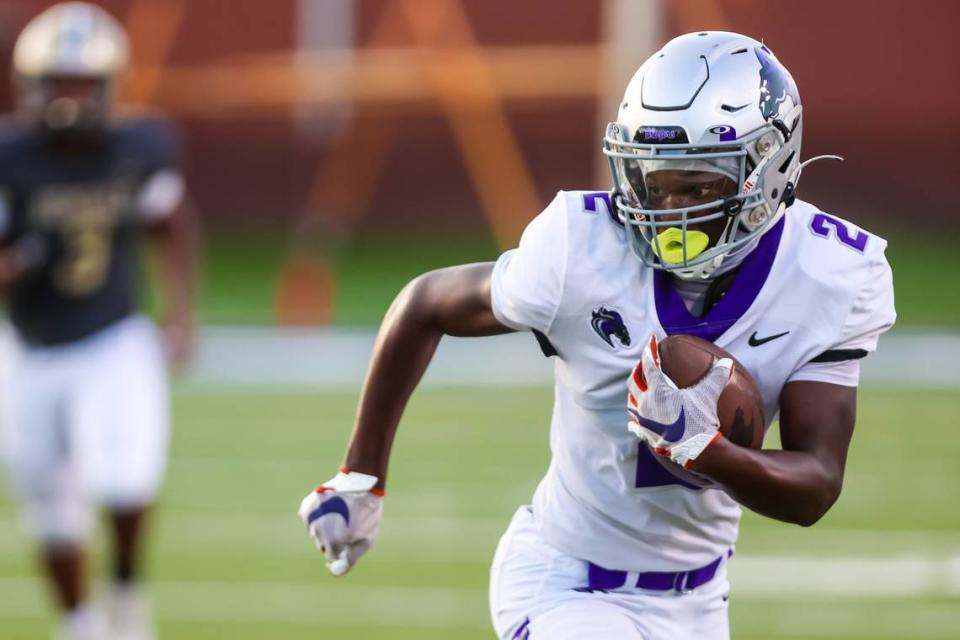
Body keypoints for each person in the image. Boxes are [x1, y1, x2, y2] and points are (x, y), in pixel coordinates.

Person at [298, 31, 895, 639]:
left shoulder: (830, 274)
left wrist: (705, 450)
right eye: (652, 181)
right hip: (563, 582)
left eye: (696, 185)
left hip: (699, 605)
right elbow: (425, 302)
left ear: (767, 170)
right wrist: (361, 473)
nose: (666, 208)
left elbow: (815, 485)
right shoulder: (577, 248)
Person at [0, 3, 197, 639]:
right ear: (31, 85)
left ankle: (126, 589)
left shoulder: (139, 145)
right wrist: (17, 263)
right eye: (58, 81)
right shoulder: (10, 156)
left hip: (113, 336)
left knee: (125, 477)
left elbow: (171, 223)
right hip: (29, 347)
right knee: (51, 508)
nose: (70, 97)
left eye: (82, 82)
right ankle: (80, 624)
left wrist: (181, 314)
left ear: (109, 84)